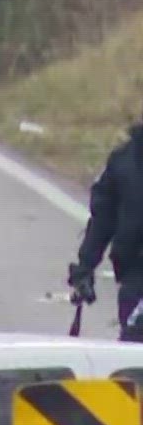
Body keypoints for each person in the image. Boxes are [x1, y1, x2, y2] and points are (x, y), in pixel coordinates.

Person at [68, 121, 143, 341]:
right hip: (136, 274)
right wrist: (85, 267)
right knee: (134, 349)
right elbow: (103, 218)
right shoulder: (124, 160)